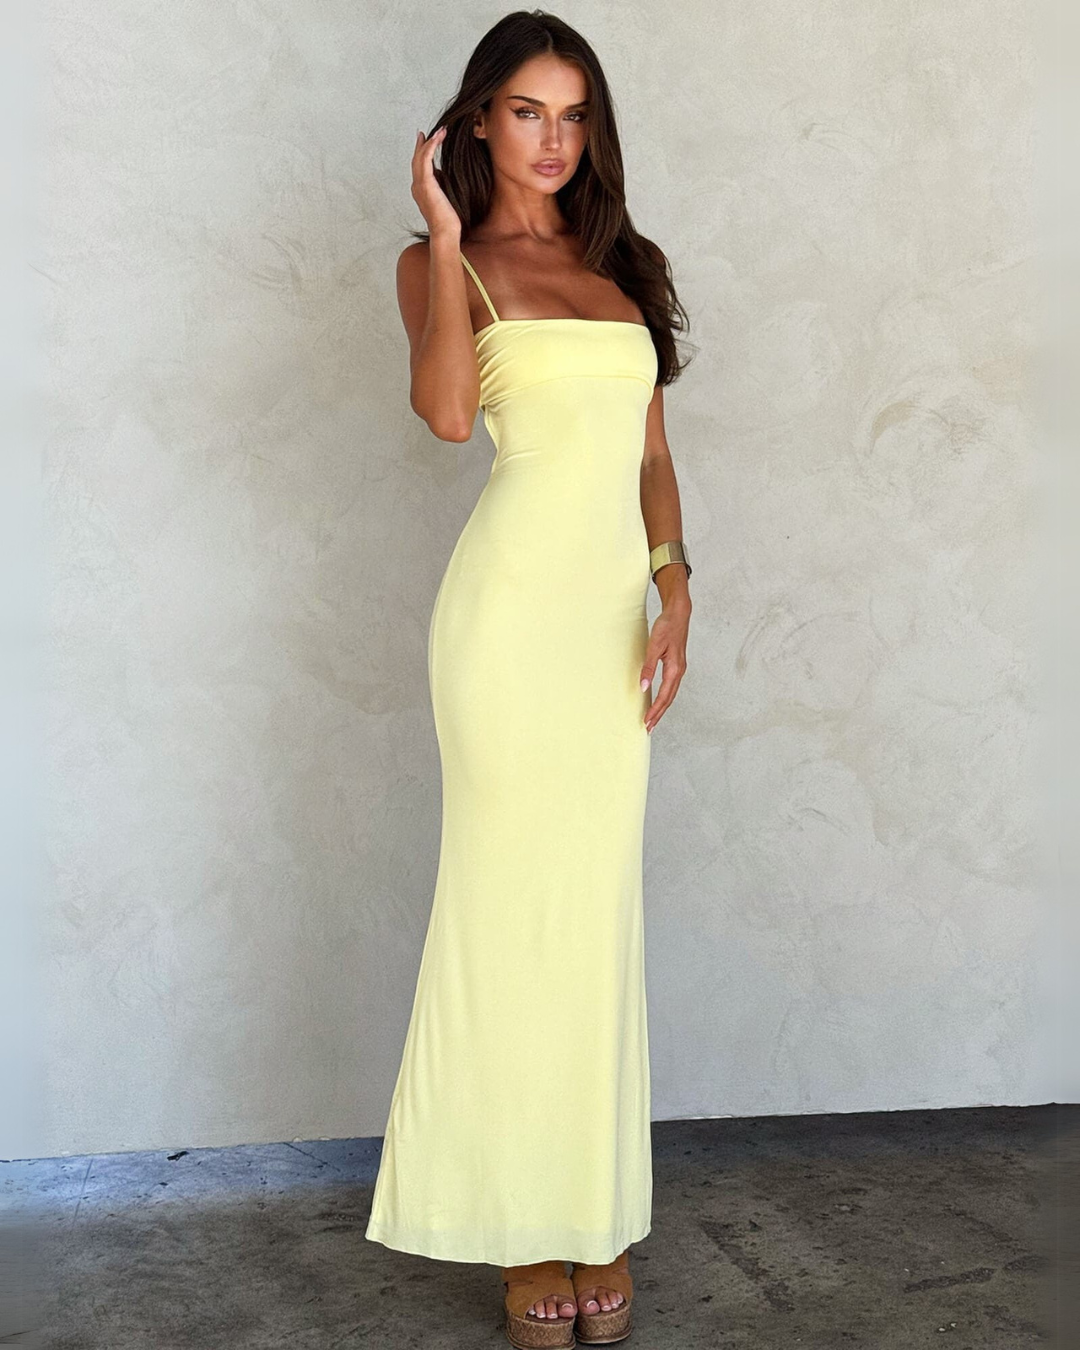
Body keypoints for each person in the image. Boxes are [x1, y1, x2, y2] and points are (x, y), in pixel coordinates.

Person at [365, 11, 692, 1347]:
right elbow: (450, 415)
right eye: (525, 111)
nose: (553, 139)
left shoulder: (624, 263)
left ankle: (590, 1208)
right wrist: (447, 239)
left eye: (574, 114)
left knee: (594, 917)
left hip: (610, 624)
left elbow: (650, 452)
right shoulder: (438, 263)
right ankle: (520, 1225)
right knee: (508, 915)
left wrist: (675, 584)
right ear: (476, 122)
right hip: (504, 630)